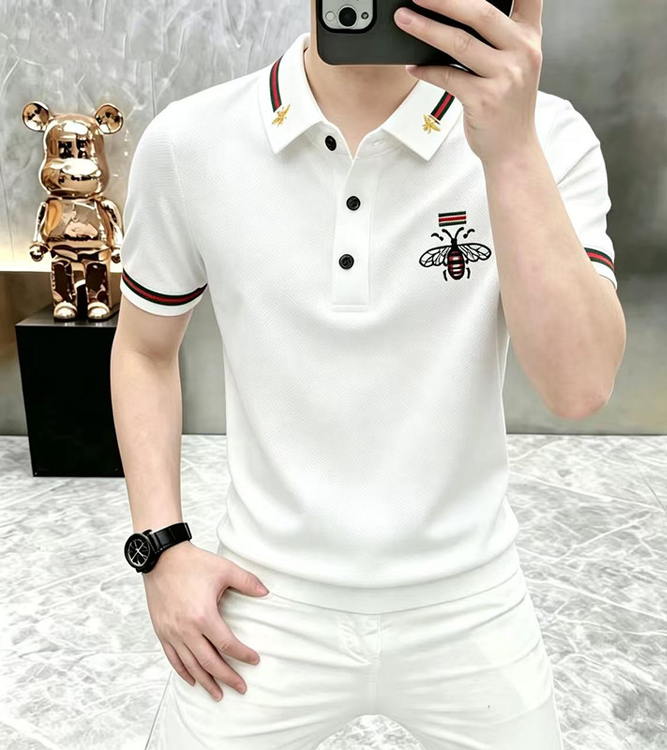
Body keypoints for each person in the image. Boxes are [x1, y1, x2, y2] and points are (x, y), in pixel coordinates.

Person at [111, 0, 626, 747]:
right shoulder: (192, 140)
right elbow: (142, 349)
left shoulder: (547, 136)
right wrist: (160, 550)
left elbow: (579, 387)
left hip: (470, 600)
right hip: (266, 599)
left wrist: (510, 151)